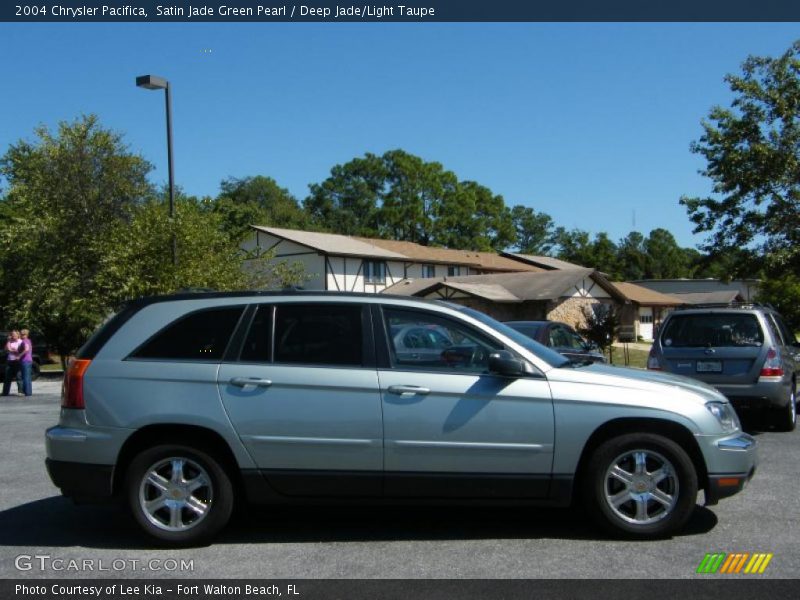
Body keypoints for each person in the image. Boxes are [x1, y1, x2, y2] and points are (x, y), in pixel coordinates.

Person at [2, 330, 22, 396]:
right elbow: (5, 349)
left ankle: (20, 391)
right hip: (9, 360)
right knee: (7, 377)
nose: (13, 336)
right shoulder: (10, 341)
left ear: (18, 335)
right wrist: (8, 341)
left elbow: (19, 351)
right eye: (12, 335)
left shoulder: (20, 341)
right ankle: (5, 392)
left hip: (17, 361)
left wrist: (12, 350)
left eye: (14, 335)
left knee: (18, 376)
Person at [17, 329, 33, 396]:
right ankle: (28, 392)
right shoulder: (28, 341)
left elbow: (26, 349)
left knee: (25, 377)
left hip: (25, 360)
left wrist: (19, 355)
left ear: (26, 335)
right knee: (28, 377)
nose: (21, 335)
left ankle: (27, 392)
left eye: (23, 334)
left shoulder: (25, 341)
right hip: (28, 360)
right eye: (21, 334)